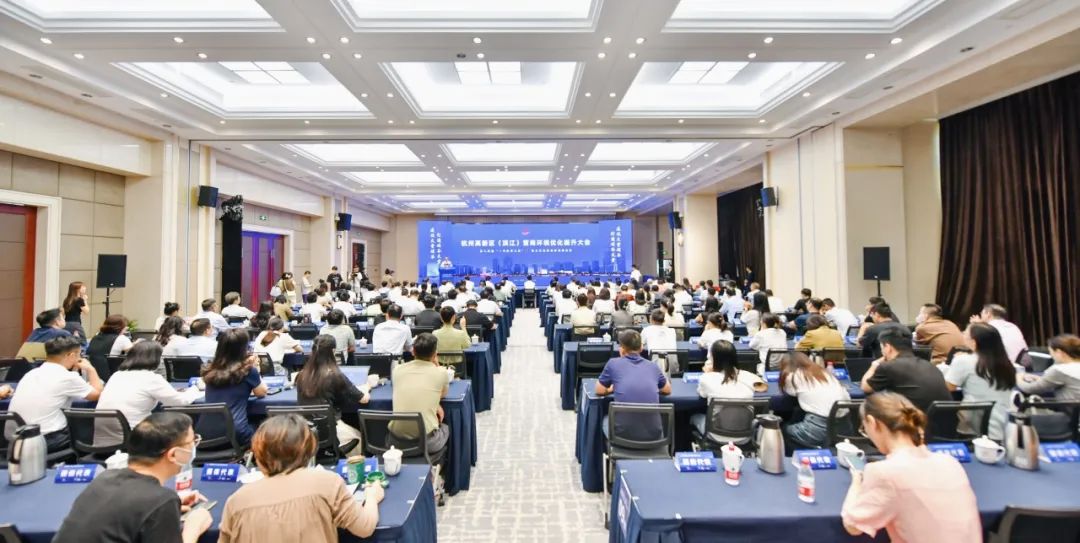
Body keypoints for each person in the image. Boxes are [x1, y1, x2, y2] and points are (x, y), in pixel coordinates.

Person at [841, 392, 981, 542]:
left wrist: (857, 480)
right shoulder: (951, 463)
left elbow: (853, 525)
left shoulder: (884, 472)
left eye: (864, 429)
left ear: (872, 422)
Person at [218, 414, 381, 543]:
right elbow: (365, 527)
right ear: (310, 450)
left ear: (258, 454)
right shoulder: (327, 483)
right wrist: (372, 497)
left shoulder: (236, 501)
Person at [53, 413, 213, 543]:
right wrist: (194, 527)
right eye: (192, 442)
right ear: (173, 454)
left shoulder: (104, 479)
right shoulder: (161, 500)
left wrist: (169, 506)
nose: (194, 446)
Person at [4, 336, 103, 451]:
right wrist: (90, 369)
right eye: (79, 354)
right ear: (71, 355)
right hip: (45, 439)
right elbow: (97, 394)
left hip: (14, 439)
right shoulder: (67, 377)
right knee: (83, 429)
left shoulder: (30, 373)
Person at [94, 341, 199, 446]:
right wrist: (195, 388)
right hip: (136, 440)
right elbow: (180, 402)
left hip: (104, 442)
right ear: (156, 359)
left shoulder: (116, 375)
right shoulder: (151, 378)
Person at [943, 323, 1016, 441]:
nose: (963, 334)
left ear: (974, 343)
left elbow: (948, 388)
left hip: (974, 429)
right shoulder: (1006, 363)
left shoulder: (963, 361)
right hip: (1006, 428)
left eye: (965, 333)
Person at [295, 335, 368, 452]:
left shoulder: (301, 375)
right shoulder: (334, 375)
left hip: (304, 430)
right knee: (360, 438)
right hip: (329, 429)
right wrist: (368, 386)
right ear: (333, 351)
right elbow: (363, 399)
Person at [595, 329, 671, 441]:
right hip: (653, 436)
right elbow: (667, 389)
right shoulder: (653, 366)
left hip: (621, 436)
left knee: (605, 420)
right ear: (641, 348)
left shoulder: (613, 364)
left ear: (621, 348)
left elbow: (599, 390)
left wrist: (610, 389)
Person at [199, 329, 267, 445]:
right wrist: (256, 368)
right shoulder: (248, 370)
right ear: (243, 348)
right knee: (264, 424)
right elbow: (261, 392)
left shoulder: (209, 369)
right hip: (236, 434)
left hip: (205, 434)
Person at [860, 328, 951, 413]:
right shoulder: (930, 365)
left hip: (915, 421)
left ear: (887, 347)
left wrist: (875, 364)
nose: (882, 351)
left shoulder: (888, 366)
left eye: (882, 348)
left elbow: (865, 387)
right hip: (944, 421)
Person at [389, 333, 450, 460]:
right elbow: (442, 394)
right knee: (446, 428)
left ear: (413, 351)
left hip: (396, 442)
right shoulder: (441, 372)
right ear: (435, 354)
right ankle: (441, 469)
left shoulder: (397, 370)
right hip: (427, 443)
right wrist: (436, 364)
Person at [779, 351, 852, 450]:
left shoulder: (792, 376)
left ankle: (791, 458)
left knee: (782, 429)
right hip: (845, 428)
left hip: (817, 429)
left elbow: (790, 394)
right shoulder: (824, 373)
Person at [1017, 334, 1080, 400]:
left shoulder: (1059, 370)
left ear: (1059, 352)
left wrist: (1019, 377)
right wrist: (1039, 379)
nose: (1051, 356)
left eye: (1051, 352)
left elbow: (1030, 389)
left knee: (1017, 389)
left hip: (1069, 405)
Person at [84, 314, 134, 379]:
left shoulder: (96, 336)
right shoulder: (122, 339)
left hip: (91, 376)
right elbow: (135, 353)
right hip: (109, 377)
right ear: (121, 327)